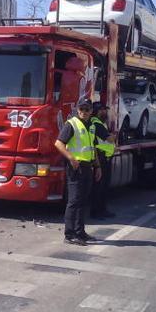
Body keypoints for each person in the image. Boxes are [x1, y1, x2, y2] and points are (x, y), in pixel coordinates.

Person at [55, 99, 102, 246]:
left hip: (88, 167)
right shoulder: (72, 124)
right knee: (74, 201)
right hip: (76, 167)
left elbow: (92, 148)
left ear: (91, 111)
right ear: (77, 109)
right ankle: (69, 235)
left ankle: (80, 232)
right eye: (81, 109)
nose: (84, 112)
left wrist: (98, 166)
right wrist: (71, 159)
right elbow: (58, 143)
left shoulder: (91, 126)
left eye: (87, 109)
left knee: (83, 201)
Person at [89, 102, 117, 219]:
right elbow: (109, 139)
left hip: (103, 157)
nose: (105, 112)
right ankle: (97, 211)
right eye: (103, 110)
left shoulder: (99, 123)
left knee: (102, 186)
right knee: (99, 186)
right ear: (97, 111)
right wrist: (114, 136)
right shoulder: (96, 123)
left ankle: (101, 210)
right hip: (100, 158)